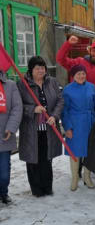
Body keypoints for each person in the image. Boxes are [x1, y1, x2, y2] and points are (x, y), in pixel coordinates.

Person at [17, 56, 64, 197]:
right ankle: (37, 190)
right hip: (31, 130)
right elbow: (17, 106)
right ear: (31, 70)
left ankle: (47, 187)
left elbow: (60, 101)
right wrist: (32, 109)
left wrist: (54, 116)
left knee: (46, 159)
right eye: (37, 68)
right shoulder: (22, 85)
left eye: (42, 67)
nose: (40, 70)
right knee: (33, 160)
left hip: (48, 129)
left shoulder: (52, 82)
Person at [62, 65, 95, 191]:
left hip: (90, 122)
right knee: (75, 152)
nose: (81, 76)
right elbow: (64, 110)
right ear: (73, 76)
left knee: (89, 151)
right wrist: (67, 127)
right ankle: (74, 178)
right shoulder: (67, 89)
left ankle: (87, 177)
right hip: (75, 123)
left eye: (83, 73)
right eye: (78, 74)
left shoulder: (91, 87)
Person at [0, 70, 23, 204]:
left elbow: (17, 108)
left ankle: (3, 192)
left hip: (4, 134)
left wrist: (11, 128)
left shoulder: (10, 85)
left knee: (3, 171)